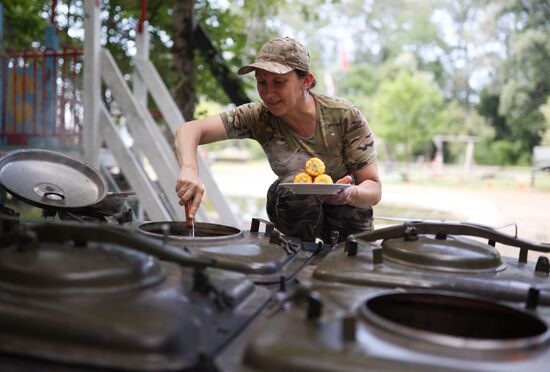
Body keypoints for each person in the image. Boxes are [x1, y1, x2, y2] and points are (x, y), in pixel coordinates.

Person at [175, 36, 381, 242]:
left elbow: (373, 187)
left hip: (347, 214)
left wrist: (349, 194)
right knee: (295, 187)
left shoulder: (344, 116)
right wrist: (190, 170)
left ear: (306, 82)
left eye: (279, 82)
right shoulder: (258, 115)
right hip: (296, 212)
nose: (268, 93)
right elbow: (189, 130)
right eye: (261, 82)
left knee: (351, 230)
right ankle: (300, 251)